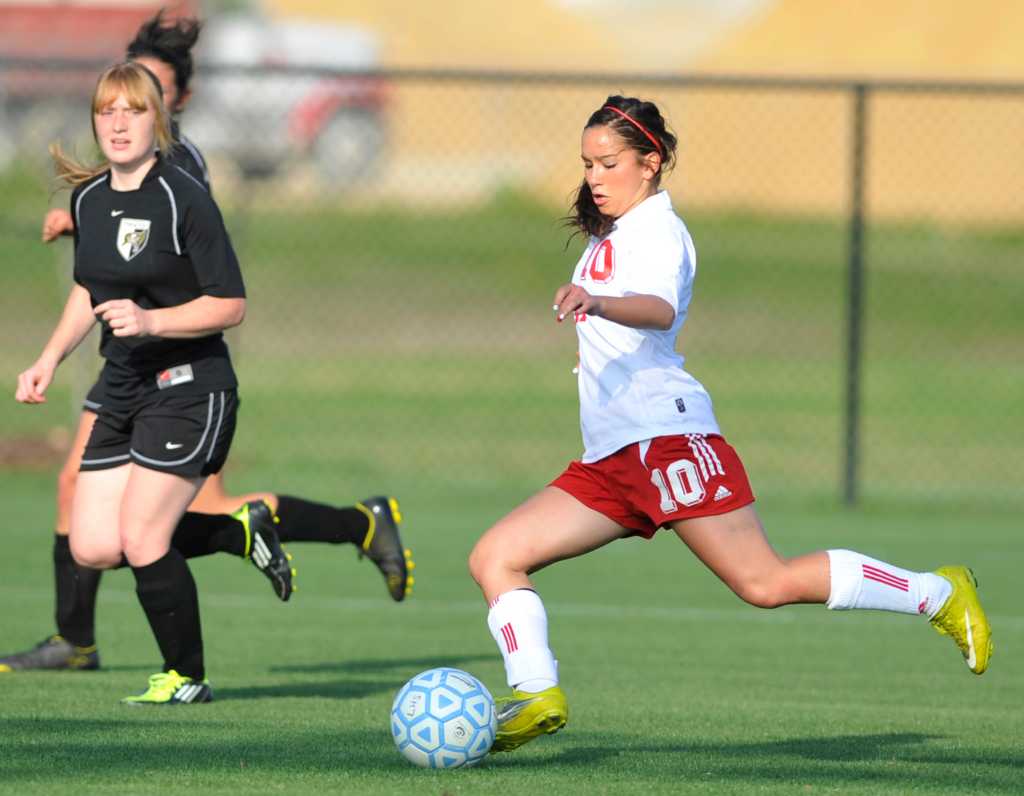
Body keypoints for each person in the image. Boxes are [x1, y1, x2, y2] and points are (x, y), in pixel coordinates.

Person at [467, 95, 994, 753]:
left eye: (608, 163)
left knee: (764, 583)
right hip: (610, 457)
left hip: (666, 439)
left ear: (651, 162)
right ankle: (537, 695)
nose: (595, 177)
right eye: (587, 164)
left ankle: (938, 593)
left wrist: (595, 301)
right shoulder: (615, 233)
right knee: (496, 556)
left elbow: (659, 310)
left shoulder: (659, 230)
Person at [1, 10, 413, 675]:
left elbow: (179, 262)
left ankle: (350, 527)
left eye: (148, 97)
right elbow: (115, 250)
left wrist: (143, 299)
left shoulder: (179, 171)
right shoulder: (103, 185)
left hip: (183, 370)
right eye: (118, 99)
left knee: (165, 518)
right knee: (93, 513)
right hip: (126, 370)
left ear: (173, 103)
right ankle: (76, 637)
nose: (129, 113)